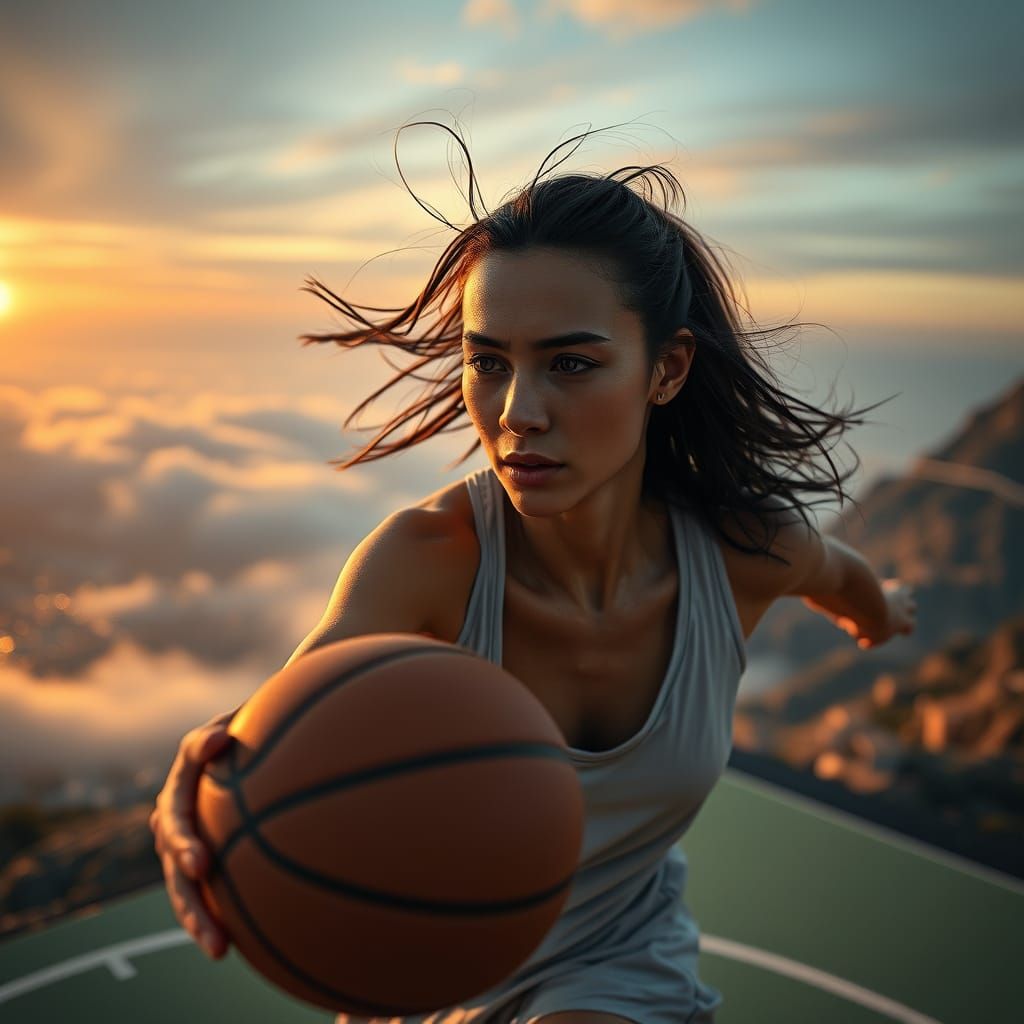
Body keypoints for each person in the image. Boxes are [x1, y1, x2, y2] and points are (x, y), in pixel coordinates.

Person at [149, 121, 917, 1024]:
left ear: (666, 369)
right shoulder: (428, 560)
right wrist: (205, 781)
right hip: (422, 969)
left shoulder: (744, 551)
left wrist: (880, 614)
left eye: (572, 363)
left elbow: (842, 577)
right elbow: (290, 718)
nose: (518, 411)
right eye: (488, 361)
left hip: (617, 962)